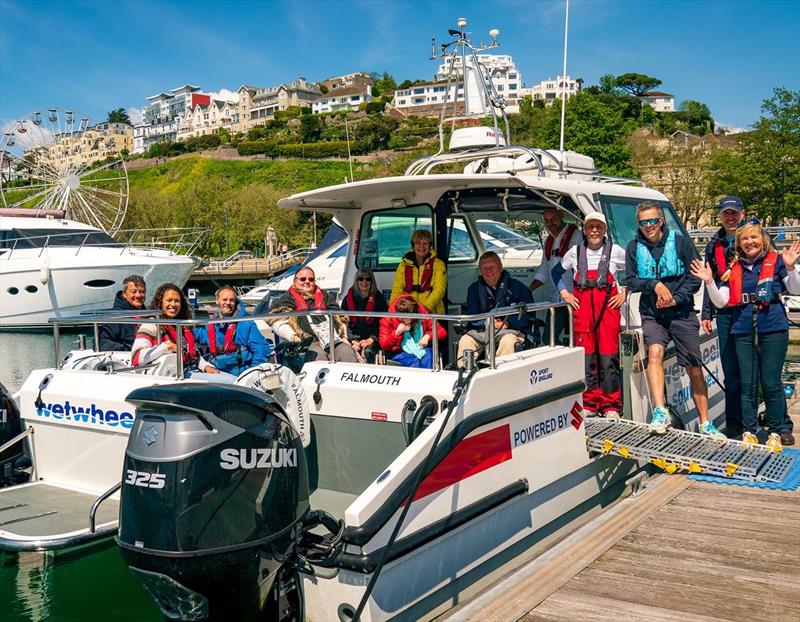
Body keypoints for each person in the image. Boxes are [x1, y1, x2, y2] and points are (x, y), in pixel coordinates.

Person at [691, 229, 800, 450]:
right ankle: (748, 429)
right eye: (745, 239)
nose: (750, 242)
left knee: (771, 382)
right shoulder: (734, 268)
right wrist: (710, 282)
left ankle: (777, 429)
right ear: (739, 244)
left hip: (773, 327)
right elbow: (721, 302)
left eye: (754, 237)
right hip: (742, 328)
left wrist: (790, 267)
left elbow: (796, 288)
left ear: (763, 240)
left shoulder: (777, 261)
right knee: (748, 384)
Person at [625, 202, 724, 438]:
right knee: (655, 353)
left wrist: (676, 299)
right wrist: (655, 284)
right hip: (652, 314)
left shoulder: (680, 243)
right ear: (638, 225)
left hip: (682, 313)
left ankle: (705, 423)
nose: (648, 226)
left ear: (661, 221)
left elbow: (695, 279)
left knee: (694, 368)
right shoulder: (633, 247)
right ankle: (660, 411)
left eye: (652, 221)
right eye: (643, 222)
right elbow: (631, 280)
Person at [558, 213, 627, 418]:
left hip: (608, 309)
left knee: (608, 358)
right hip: (583, 311)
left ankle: (611, 405)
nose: (594, 230)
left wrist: (625, 293)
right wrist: (565, 294)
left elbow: (635, 270)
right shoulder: (574, 252)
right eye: (590, 227)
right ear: (585, 230)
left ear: (605, 230)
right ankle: (589, 402)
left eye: (598, 226)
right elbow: (556, 274)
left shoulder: (615, 251)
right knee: (587, 358)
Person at [700, 196, 745, 438]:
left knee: (752, 369)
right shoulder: (713, 245)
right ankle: (734, 423)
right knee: (730, 369)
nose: (730, 217)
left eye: (734, 213)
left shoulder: (751, 238)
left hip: (749, 310)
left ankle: (757, 422)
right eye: (726, 213)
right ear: (720, 216)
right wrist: (707, 312)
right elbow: (709, 280)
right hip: (725, 312)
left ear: (742, 213)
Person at [457, 251, 533, 365]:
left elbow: (528, 315)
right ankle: (465, 376)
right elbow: (472, 316)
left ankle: (500, 376)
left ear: (500, 267)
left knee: (508, 342)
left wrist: (507, 324)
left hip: (510, 331)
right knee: (465, 341)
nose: (489, 271)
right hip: (482, 332)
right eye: (484, 268)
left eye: (492, 267)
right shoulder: (473, 289)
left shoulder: (519, 288)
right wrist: (487, 322)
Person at [269, 267, 358, 363]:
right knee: (317, 354)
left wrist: (346, 337)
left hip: (332, 340)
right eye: (303, 279)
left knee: (347, 352)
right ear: (294, 281)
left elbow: (340, 318)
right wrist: (296, 338)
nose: (307, 282)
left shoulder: (325, 296)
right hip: (306, 342)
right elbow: (276, 321)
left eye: (311, 279)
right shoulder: (286, 299)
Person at [132, 283, 219, 374]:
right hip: (171, 377)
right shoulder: (151, 324)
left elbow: (193, 354)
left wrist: (206, 366)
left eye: (177, 301)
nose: (173, 304)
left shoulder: (181, 325)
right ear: (161, 302)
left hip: (189, 370)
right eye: (169, 300)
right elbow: (137, 358)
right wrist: (167, 347)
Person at [529, 208, 582, 344]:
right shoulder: (548, 242)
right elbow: (543, 272)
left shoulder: (576, 236)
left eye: (553, 219)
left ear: (562, 216)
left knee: (577, 338)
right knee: (548, 339)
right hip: (556, 300)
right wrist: (528, 290)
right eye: (546, 220)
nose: (550, 223)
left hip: (574, 299)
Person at [194, 285, 271, 376]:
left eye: (231, 300)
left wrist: (252, 374)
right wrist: (182, 330)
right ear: (217, 301)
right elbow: (202, 336)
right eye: (225, 299)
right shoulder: (212, 324)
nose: (228, 303)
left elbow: (261, 349)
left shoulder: (245, 323)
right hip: (216, 371)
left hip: (240, 373)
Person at [379, 295, 447, 368]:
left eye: (414, 318)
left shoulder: (421, 312)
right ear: (400, 317)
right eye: (409, 319)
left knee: (429, 354)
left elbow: (442, 331)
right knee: (416, 361)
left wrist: (428, 336)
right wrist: (397, 333)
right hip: (399, 352)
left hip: (421, 349)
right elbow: (384, 344)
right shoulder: (388, 318)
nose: (412, 320)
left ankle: (428, 378)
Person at [390, 229, 447, 314]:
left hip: (432, 314)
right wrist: (392, 309)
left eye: (425, 243)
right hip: (408, 312)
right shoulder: (403, 265)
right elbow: (397, 289)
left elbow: (439, 290)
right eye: (418, 243)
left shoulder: (439, 265)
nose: (422, 246)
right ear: (413, 246)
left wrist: (425, 308)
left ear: (430, 246)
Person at [340, 268, 388, 363]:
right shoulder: (347, 300)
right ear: (357, 281)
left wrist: (371, 339)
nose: (364, 282)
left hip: (372, 337)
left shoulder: (379, 300)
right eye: (361, 279)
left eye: (368, 279)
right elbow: (343, 323)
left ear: (372, 281)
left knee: (368, 352)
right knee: (347, 352)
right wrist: (353, 340)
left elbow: (383, 323)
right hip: (353, 337)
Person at [98, 274, 146, 351]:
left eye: (142, 291)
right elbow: (101, 343)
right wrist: (130, 349)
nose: (138, 295)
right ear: (124, 294)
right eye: (134, 291)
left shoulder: (150, 315)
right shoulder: (115, 316)